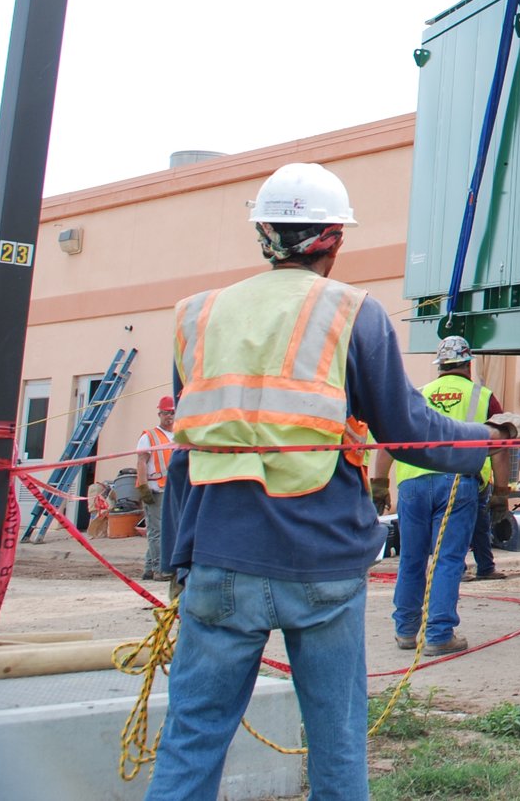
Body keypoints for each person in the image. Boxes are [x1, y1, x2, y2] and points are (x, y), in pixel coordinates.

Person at [151, 162, 501, 801]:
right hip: (322, 563)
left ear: (263, 233)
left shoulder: (197, 317)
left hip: (220, 559)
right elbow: (409, 429)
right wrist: (492, 442)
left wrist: (179, 560)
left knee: (191, 740)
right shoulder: (355, 314)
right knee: (337, 749)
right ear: (335, 239)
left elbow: (188, 451)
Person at [389, 335, 503, 651]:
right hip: (457, 482)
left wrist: (375, 482)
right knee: (447, 559)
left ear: (440, 367)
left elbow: (391, 437)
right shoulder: (483, 396)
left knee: (411, 558)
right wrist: (503, 492)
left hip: (412, 482)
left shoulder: (418, 395)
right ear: (469, 364)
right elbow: (502, 445)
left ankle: (406, 631)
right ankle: (439, 635)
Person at [135, 395, 175, 581]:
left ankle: (150, 568)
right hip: (155, 490)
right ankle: (160, 568)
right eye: (166, 413)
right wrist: (143, 487)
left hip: (172, 490)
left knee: (163, 529)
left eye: (173, 413)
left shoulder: (177, 435)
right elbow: (142, 461)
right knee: (157, 531)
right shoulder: (149, 436)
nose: (170, 416)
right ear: (160, 414)